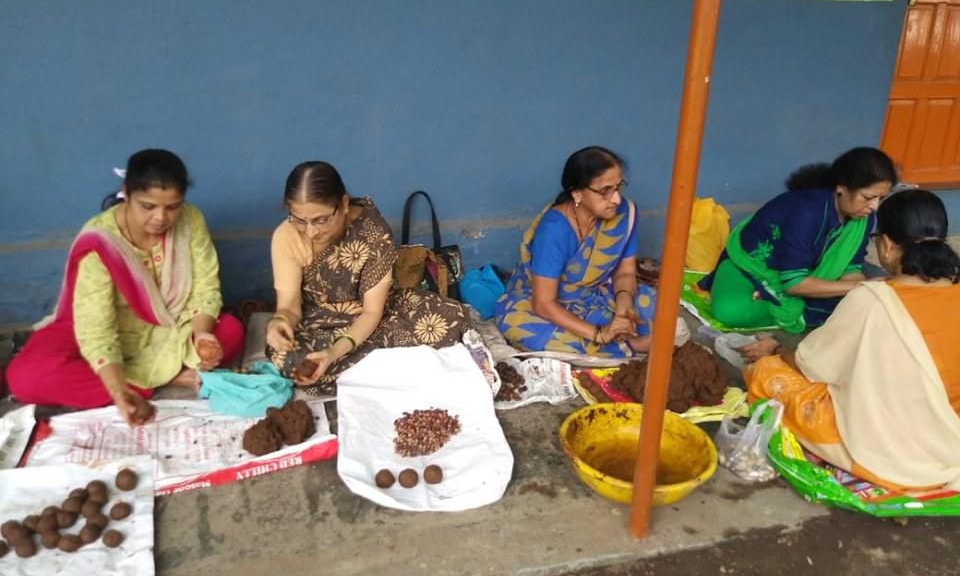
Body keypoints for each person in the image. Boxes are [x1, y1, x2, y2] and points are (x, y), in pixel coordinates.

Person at [742, 189, 960, 491]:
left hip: (894, 454)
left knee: (767, 372)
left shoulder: (873, 299)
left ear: (886, 245)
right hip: (952, 440)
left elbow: (811, 364)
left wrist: (777, 349)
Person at [6, 149, 244, 425]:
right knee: (26, 378)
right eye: (148, 206)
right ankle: (156, 380)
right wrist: (119, 392)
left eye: (172, 207)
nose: (160, 218)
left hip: (170, 326)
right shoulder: (100, 241)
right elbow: (96, 330)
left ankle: (146, 377)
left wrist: (202, 335)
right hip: (102, 329)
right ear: (127, 193)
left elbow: (205, 288)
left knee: (230, 332)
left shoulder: (191, 220)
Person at [265, 161, 469, 394]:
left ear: (343, 204)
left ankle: (359, 369)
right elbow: (289, 306)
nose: (311, 231)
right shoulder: (286, 236)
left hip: (376, 314)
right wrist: (280, 321)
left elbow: (372, 312)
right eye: (300, 220)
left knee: (452, 319)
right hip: (319, 319)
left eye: (321, 220)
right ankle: (385, 365)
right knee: (289, 361)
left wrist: (333, 353)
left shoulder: (373, 231)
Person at [699, 147, 898, 332]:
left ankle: (786, 306)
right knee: (730, 311)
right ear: (842, 188)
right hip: (751, 269)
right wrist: (859, 287)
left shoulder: (863, 216)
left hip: (806, 278)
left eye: (880, 198)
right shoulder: (806, 212)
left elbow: (850, 267)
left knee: (867, 307)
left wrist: (860, 292)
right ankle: (799, 310)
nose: (875, 206)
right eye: (868, 197)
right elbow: (794, 284)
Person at [495, 146, 656, 357]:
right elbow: (543, 303)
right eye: (605, 191)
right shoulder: (555, 228)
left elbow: (625, 273)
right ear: (577, 193)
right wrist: (599, 334)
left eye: (618, 187)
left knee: (655, 305)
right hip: (546, 303)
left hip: (595, 294)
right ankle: (626, 345)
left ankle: (616, 340)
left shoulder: (624, 214)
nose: (616, 199)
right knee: (518, 324)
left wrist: (623, 306)